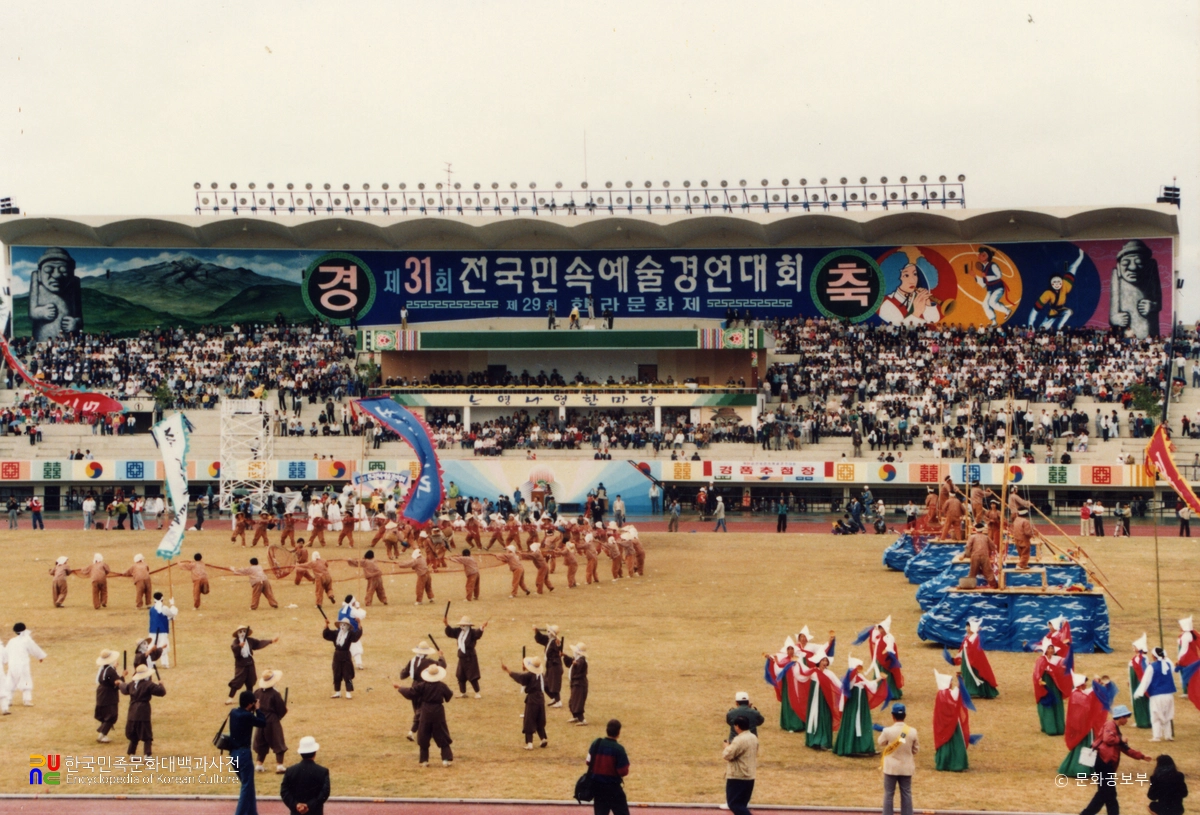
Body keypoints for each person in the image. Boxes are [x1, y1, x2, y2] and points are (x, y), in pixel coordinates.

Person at [1079, 704, 1151, 815]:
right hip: (1103, 762)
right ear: (1120, 717)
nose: (1127, 719)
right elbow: (1107, 739)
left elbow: (1126, 749)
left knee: (1110, 794)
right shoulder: (1110, 724)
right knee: (1105, 793)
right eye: (1126, 717)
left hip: (1106, 764)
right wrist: (1120, 739)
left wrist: (1141, 756)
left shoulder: (1116, 730)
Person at [394, 663, 455, 766]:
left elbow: (411, 692)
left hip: (425, 711)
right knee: (441, 733)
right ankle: (445, 759)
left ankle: (424, 761)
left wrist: (400, 688)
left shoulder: (422, 686)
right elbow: (449, 695)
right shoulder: (442, 686)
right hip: (438, 711)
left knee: (424, 733)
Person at [230, 689, 266, 815]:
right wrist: (258, 709)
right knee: (246, 787)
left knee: (248, 786)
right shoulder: (247, 716)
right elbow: (263, 722)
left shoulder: (233, 712)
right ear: (250, 704)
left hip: (233, 753)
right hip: (244, 754)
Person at [878, 703, 918, 815]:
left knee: (889, 794)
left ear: (892, 715)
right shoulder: (913, 731)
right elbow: (915, 749)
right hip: (906, 767)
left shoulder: (887, 731)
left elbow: (880, 742)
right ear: (905, 715)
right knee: (906, 794)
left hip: (891, 768)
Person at [501, 655, 548, 749]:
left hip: (532, 700)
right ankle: (543, 738)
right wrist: (526, 669)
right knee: (539, 720)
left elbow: (520, 677)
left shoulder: (529, 675)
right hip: (541, 699)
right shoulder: (541, 675)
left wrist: (507, 670)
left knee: (529, 720)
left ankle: (529, 743)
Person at [119, 663, 165, 757]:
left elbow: (124, 689)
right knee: (147, 735)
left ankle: (132, 754)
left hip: (132, 712)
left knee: (134, 734)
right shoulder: (148, 685)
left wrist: (121, 681)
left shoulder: (132, 685)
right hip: (143, 712)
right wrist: (161, 684)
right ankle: (147, 755)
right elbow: (161, 692)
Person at [586, 719, 630, 815]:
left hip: (597, 788)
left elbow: (588, 761)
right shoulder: (619, 749)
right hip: (613, 788)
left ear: (607, 730)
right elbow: (623, 771)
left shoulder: (596, 743)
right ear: (618, 732)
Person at [1133, 646, 1177, 742]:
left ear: (1154, 656)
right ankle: (1168, 735)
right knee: (1167, 715)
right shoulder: (1168, 664)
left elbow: (1146, 681)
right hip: (1169, 694)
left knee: (1156, 715)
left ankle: (1157, 736)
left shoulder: (1152, 666)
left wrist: (1138, 692)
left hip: (1157, 694)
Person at [280, 735, 331, 815]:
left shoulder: (290, 771)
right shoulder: (322, 771)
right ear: (315, 752)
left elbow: (284, 791)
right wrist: (309, 805)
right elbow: (324, 793)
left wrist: (296, 805)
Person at [227, 625, 278, 704]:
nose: (242, 633)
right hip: (241, 664)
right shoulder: (236, 641)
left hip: (250, 662)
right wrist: (239, 646)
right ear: (237, 634)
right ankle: (230, 698)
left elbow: (259, 643)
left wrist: (270, 641)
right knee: (237, 681)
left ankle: (249, 699)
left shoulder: (250, 640)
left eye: (244, 631)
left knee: (250, 681)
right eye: (240, 632)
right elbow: (234, 648)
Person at [2, 623, 47, 712]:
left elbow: (5, 653)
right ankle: (27, 700)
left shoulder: (12, 641)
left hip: (12, 665)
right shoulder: (27, 640)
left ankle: (8, 700)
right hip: (22, 665)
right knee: (26, 681)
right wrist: (40, 656)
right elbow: (34, 649)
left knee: (10, 682)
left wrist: (5, 661)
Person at [253, 669, 289, 774]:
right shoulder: (274, 694)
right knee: (278, 743)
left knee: (261, 743)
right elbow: (281, 709)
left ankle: (259, 764)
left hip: (260, 720)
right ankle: (280, 766)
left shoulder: (257, 692)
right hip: (272, 721)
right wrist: (279, 716)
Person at [443, 615, 487, 698]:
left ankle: (477, 692)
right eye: (461, 625)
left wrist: (482, 627)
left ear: (468, 626)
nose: (462, 627)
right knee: (460, 675)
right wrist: (446, 624)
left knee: (472, 676)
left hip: (470, 658)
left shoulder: (472, 633)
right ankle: (463, 692)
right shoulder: (458, 632)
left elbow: (478, 633)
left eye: (464, 625)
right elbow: (450, 632)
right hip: (461, 658)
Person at [722, 714, 758, 815]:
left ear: (737, 726)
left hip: (738, 776)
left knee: (734, 804)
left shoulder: (739, 740)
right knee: (742, 803)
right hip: (750, 775)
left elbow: (727, 755)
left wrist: (726, 747)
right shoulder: (753, 737)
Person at [322, 619, 362, 699]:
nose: (343, 627)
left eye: (345, 625)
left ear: (348, 626)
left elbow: (357, 636)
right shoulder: (336, 633)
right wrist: (326, 625)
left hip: (346, 655)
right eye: (341, 625)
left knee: (347, 674)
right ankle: (337, 692)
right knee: (336, 674)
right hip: (337, 655)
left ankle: (348, 692)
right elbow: (326, 634)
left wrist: (359, 623)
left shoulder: (350, 634)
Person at [93, 649, 122, 743]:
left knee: (106, 714)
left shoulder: (104, 669)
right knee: (112, 715)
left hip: (102, 693)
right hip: (109, 695)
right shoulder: (110, 671)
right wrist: (123, 676)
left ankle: (103, 733)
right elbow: (117, 683)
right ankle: (102, 734)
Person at [563, 642, 589, 725]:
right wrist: (565, 656)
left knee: (577, 701)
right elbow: (571, 662)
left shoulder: (582, 660)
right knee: (572, 701)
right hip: (575, 683)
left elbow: (578, 665)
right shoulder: (577, 658)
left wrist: (575, 664)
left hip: (579, 684)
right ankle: (575, 716)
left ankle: (582, 719)